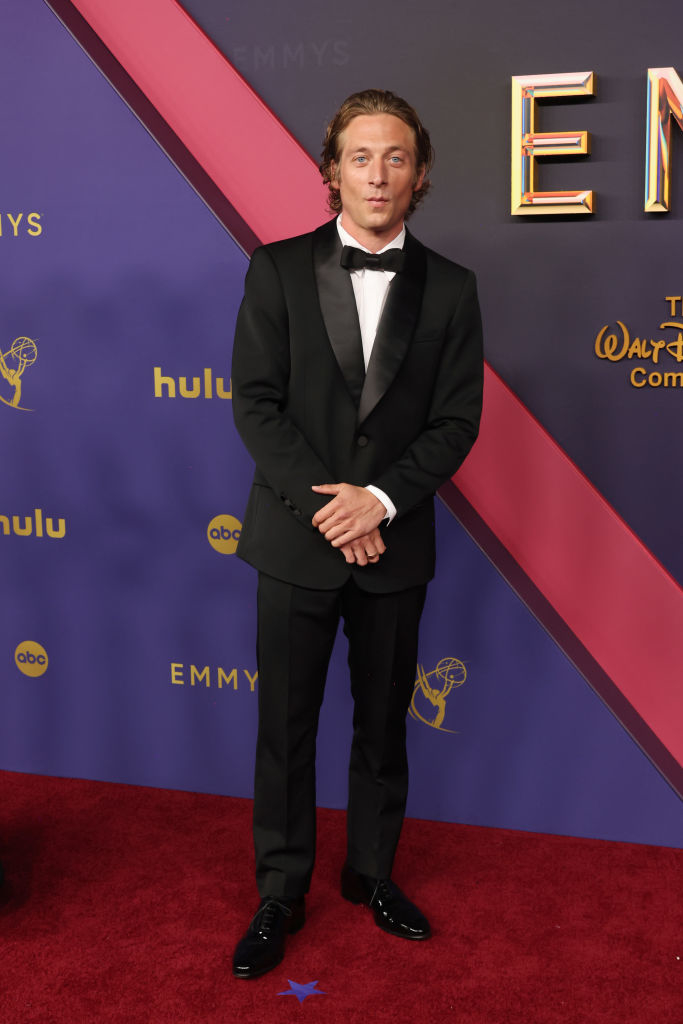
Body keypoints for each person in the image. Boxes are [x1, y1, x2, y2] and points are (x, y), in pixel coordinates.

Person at [230, 88, 483, 979]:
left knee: (383, 728)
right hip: (295, 542)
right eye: (361, 157)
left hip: (393, 544)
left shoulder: (452, 287)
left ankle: (371, 873)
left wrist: (378, 500)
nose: (378, 174)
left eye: (396, 157)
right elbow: (256, 405)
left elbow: (455, 422)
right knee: (284, 729)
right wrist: (335, 511)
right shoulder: (275, 269)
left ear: (420, 174)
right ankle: (280, 890)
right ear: (331, 171)